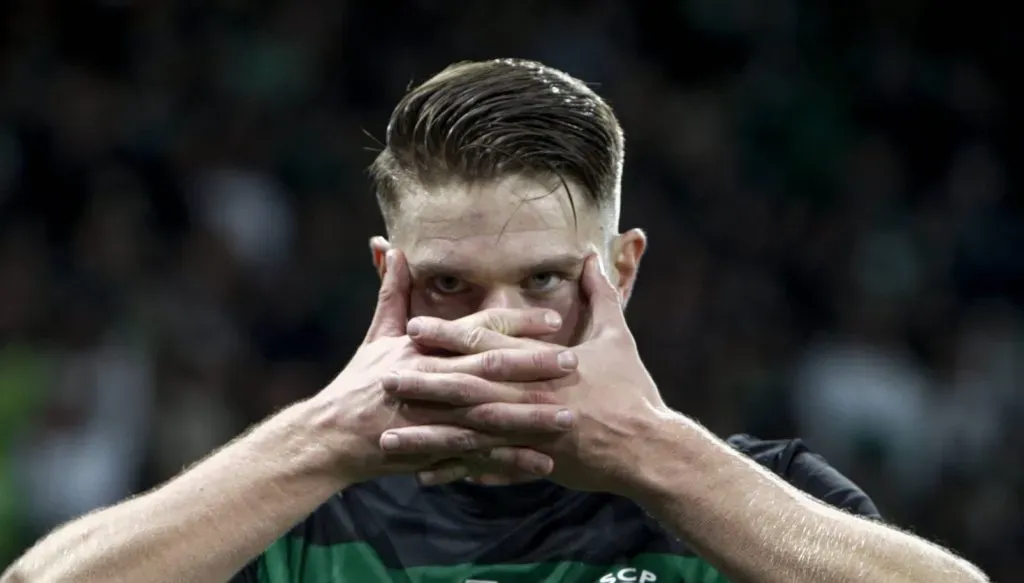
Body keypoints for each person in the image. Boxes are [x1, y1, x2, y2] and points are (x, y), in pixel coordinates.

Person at [2, 59, 987, 583]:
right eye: (448, 285)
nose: (498, 328)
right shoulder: (284, 519)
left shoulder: (752, 503)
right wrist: (320, 443)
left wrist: (653, 453)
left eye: (545, 281)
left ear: (622, 271)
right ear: (386, 276)